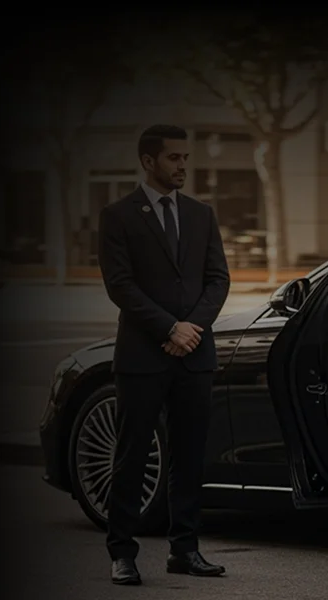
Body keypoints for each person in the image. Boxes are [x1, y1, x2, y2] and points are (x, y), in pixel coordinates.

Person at [96, 124, 230, 585]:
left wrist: (192, 329)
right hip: (142, 355)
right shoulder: (118, 216)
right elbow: (120, 286)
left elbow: (218, 279)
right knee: (132, 456)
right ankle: (122, 553)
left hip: (194, 354)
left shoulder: (201, 214)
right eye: (174, 158)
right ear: (148, 161)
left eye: (185, 159)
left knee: (190, 456)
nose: (182, 167)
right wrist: (169, 328)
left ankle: (185, 550)